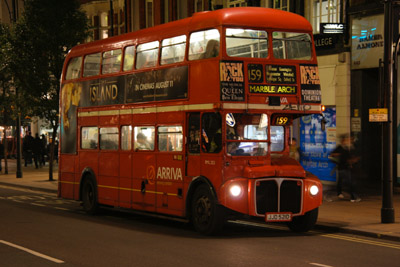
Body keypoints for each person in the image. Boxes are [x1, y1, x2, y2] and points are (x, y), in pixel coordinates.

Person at [330, 133, 361, 202]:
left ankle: (342, 193)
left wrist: (353, 160)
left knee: (343, 181)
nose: (349, 141)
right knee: (350, 182)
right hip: (343, 167)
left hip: (347, 167)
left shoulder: (349, 147)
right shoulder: (341, 148)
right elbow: (332, 155)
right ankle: (352, 197)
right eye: (348, 139)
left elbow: (351, 157)